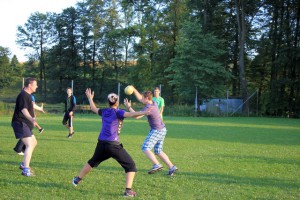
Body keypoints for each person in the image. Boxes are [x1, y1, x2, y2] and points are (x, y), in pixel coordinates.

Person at [72, 88, 151, 197]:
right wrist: (144, 112)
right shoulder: (118, 112)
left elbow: (93, 108)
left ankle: (77, 179)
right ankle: (128, 191)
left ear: (108, 102)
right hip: (113, 146)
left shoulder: (104, 111)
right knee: (131, 166)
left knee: (92, 161)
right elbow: (131, 115)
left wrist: (90, 98)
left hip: (101, 143)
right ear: (117, 102)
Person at [124, 85, 178, 176]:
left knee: (145, 147)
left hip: (157, 130)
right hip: (162, 129)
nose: (141, 100)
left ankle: (156, 164)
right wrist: (133, 89)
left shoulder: (148, 107)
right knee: (158, 151)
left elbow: (137, 116)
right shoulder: (154, 102)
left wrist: (129, 107)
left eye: (143, 98)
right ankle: (172, 167)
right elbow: (141, 99)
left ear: (146, 98)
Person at [11, 77, 38, 177]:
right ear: (30, 85)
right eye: (35, 84)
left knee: (34, 142)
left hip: (25, 123)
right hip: (20, 123)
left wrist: (31, 120)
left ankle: (23, 164)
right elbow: (24, 110)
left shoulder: (29, 96)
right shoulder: (23, 95)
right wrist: (31, 119)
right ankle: (25, 170)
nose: (37, 86)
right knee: (29, 145)